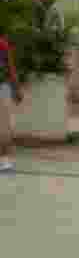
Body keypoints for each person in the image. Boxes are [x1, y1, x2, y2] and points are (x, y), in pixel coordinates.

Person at [0, 33, 22, 172]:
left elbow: (10, 66)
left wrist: (16, 88)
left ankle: (5, 160)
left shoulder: (2, 43)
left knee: (3, 126)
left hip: (2, 87)